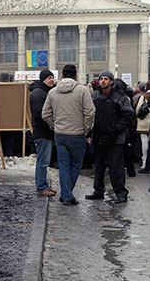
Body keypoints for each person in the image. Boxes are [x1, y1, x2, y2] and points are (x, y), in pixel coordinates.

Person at [41, 64, 95, 205]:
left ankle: (66, 194)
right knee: (76, 165)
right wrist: (86, 128)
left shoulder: (52, 92)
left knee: (64, 165)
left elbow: (45, 114)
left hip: (60, 134)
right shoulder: (82, 91)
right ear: (76, 75)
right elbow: (90, 112)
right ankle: (67, 194)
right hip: (77, 134)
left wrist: (54, 125)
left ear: (62, 76)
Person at [85, 71, 133, 203]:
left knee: (116, 167)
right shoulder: (95, 95)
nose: (103, 81)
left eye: (106, 79)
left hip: (115, 138)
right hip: (99, 137)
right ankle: (98, 190)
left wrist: (116, 129)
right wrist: (89, 134)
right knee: (99, 166)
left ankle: (121, 193)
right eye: (101, 79)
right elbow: (90, 116)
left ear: (111, 81)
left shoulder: (120, 96)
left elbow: (128, 115)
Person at [28, 69, 57, 196]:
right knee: (42, 162)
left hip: (46, 132)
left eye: (52, 77)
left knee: (44, 161)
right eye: (48, 78)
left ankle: (43, 185)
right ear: (42, 79)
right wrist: (51, 125)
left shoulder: (44, 91)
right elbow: (39, 115)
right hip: (43, 133)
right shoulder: (38, 93)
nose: (51, 80)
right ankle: (41, 187)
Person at [134, 81, 150, 173]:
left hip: (143, 123)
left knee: (144, 143)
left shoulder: (142, 97)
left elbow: (138, 109)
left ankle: (144, 161)